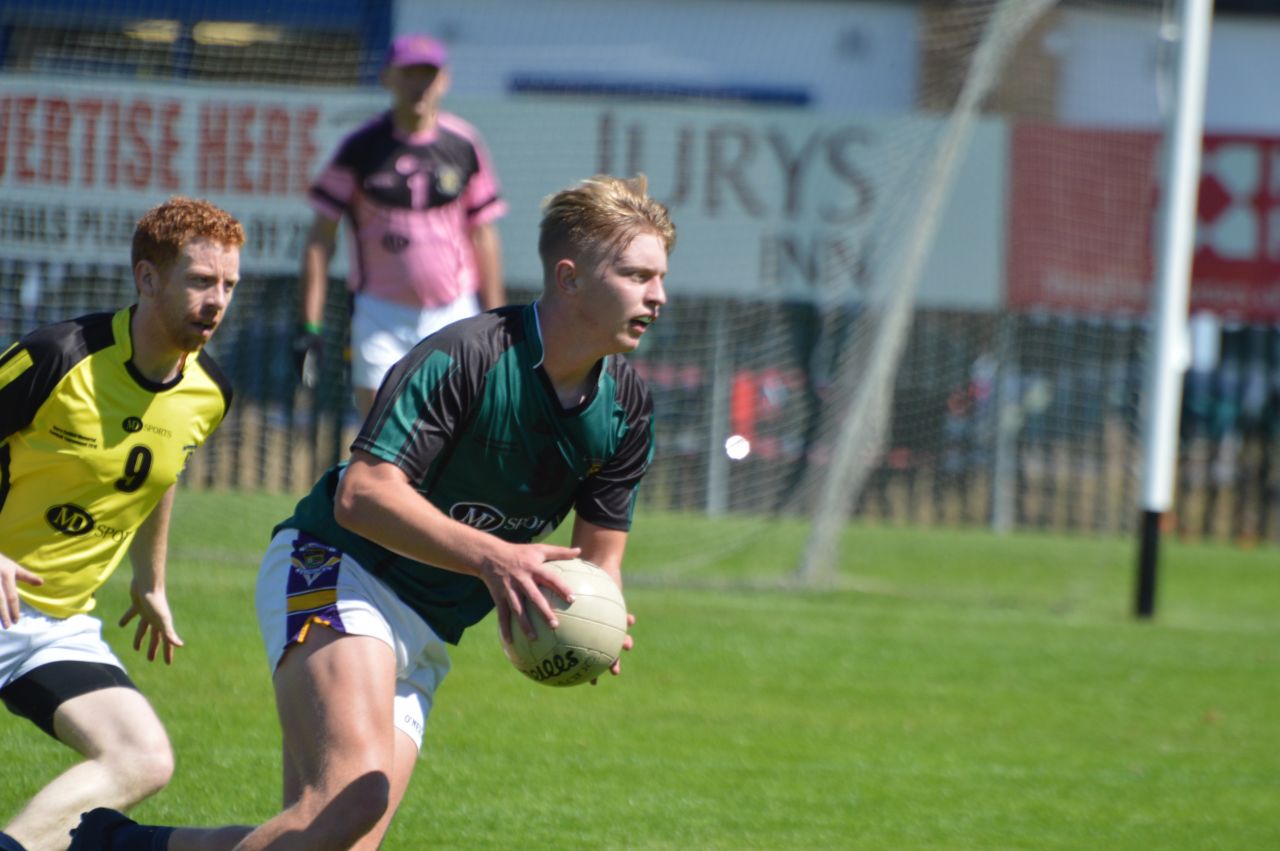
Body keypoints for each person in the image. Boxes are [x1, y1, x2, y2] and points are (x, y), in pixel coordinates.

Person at [70, 173, 675, 851]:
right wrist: (494, 556)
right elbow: (364, 494)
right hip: (336, 565)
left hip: (430, 624)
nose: (658, 294)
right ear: (569, 278)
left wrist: (592, 619)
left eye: (660, 276)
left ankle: (117, 844)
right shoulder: (466, 358)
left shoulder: (628, 409)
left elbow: (600, 558)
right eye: (636, 274)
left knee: (329, 838)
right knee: (355, 796)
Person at [0, 197, 244, 851]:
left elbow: (159, 472)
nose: (217, 300)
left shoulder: (209, 392)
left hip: (47, 623)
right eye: (200, 281)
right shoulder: (58, 356)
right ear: (147, 278)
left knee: (143, 757)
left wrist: (150, 578)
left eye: (227, 285)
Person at [294, 31, 509, 418]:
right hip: (379, 314)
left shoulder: (465, 144)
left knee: (454, 433)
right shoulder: (360, 148)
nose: (419, 84)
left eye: (428, 74)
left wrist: (497, 319)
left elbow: (484, 234)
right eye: (409, 72)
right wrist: (310, 324)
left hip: (453, 311)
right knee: (378, 436)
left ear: (444, 80)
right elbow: (319, 238)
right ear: (387, 77)